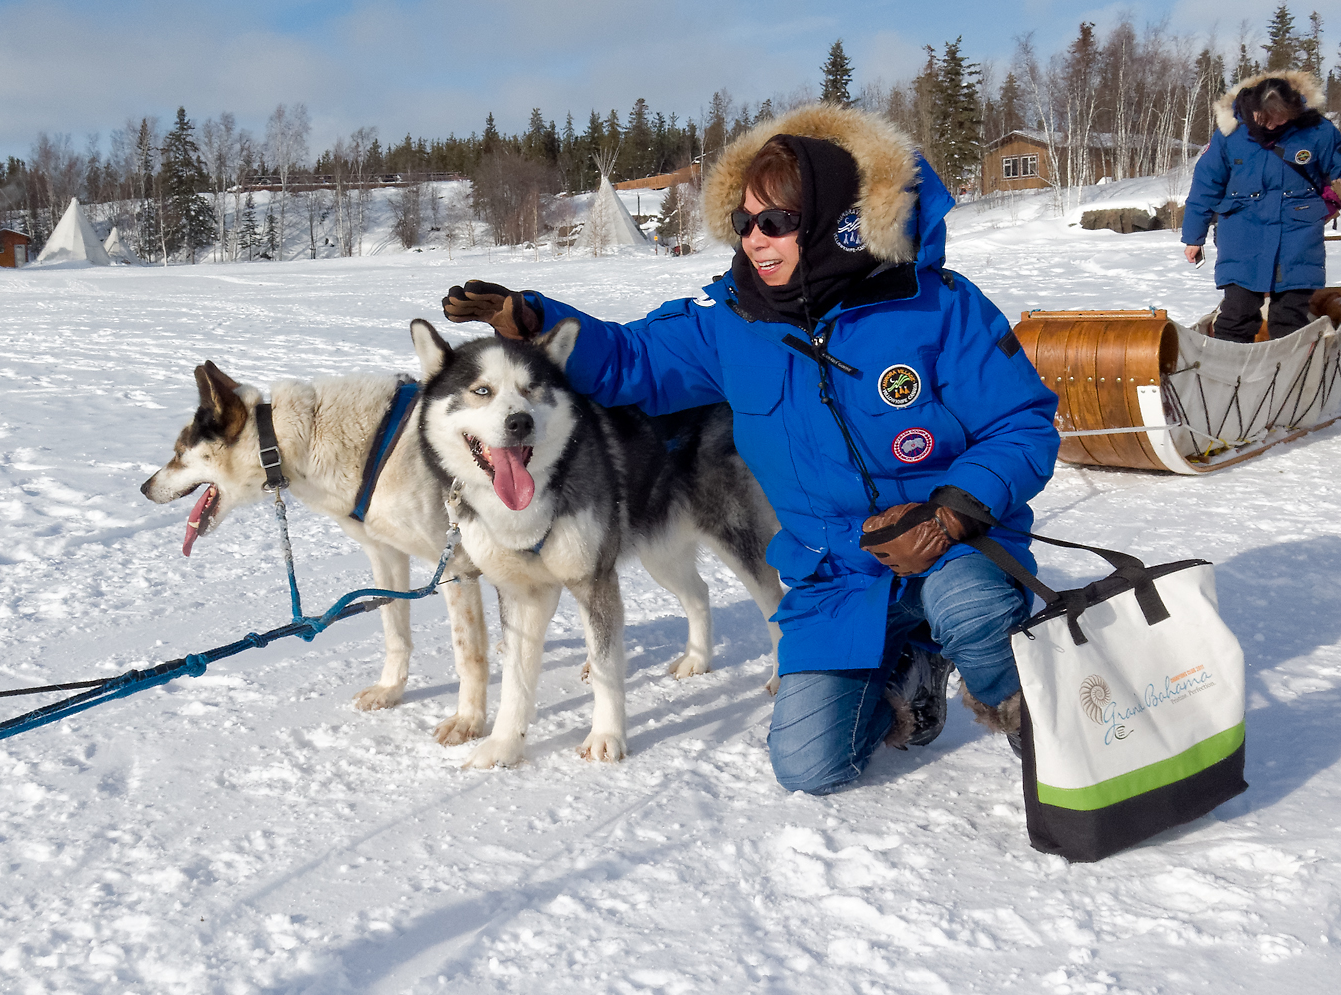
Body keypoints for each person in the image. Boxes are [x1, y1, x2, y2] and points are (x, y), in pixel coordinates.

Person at [442, 104, 1059, 794]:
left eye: (777, 222)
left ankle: (1053, 733)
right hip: (839, 579)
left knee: (971, 607)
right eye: (744, 223)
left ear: (837, 219)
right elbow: (630, 360)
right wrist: (533, 321)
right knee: (808, 766)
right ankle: (908, 656)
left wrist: (950, 512)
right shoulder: (731, 324)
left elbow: (1025, 423)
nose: (756, 240)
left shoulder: (939, 308)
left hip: (951, 545)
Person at [1182, 70, 1341, 344]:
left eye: (1278, 119)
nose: (1270, 126)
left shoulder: (1317, 131)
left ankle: (1287, 381)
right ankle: (1228, 378)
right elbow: (1205, 185)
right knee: (1237, 314)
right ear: (1252, 109)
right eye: (1263, 119)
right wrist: (1193, 237)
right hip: (1242, 236)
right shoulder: (1230, 134)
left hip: (1297, 236)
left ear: (1294, 110)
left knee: (1289, 318)